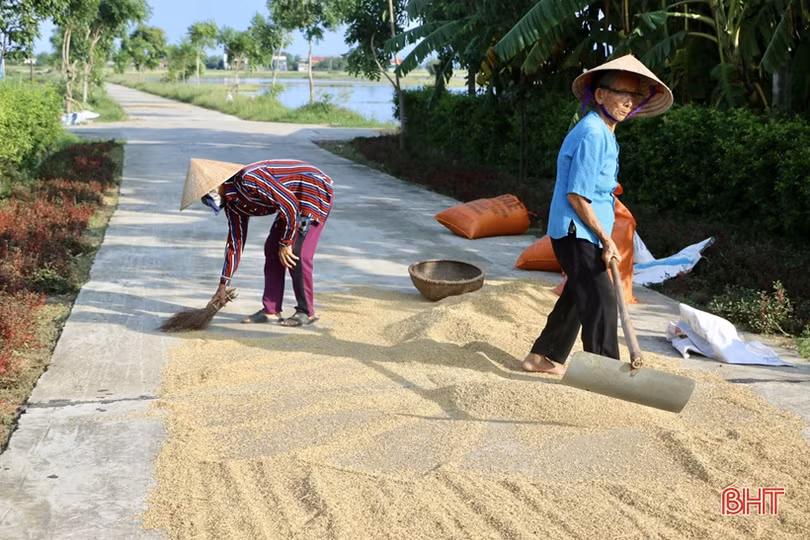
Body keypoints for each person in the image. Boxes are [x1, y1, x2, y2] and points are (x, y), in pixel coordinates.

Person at [522, 55, 673, 375]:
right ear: (601, 94)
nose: (628, 101)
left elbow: (598, 191)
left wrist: (605, 234)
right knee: (602, 301)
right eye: (621, 93)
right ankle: (604, 373)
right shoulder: (593, 132)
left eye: (634, 96)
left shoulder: (604, 131)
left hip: (584, 232)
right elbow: (577, 194)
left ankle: (542, 357)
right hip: (577, 232)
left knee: (579, 296)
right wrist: (606, 238)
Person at [180, 158, 333, 327]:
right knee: (272, 249)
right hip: (291, 205)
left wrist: (286, 242)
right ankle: (271, 311)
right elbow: (235, 244)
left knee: (297, 252)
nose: (206, 197)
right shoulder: (234, 206)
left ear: (217, 183)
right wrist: (223, 284)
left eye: (206, 192)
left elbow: (289, 203)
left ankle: (306, 312)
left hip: (311, 191)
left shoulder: (248, 179)